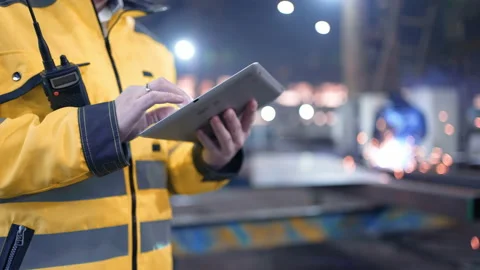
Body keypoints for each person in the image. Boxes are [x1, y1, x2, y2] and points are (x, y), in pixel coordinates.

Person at [0, 0, 258, 269]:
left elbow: (161, 170)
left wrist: (208, 158)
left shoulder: (153, 49)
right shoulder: (6, 21)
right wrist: (99, 130)